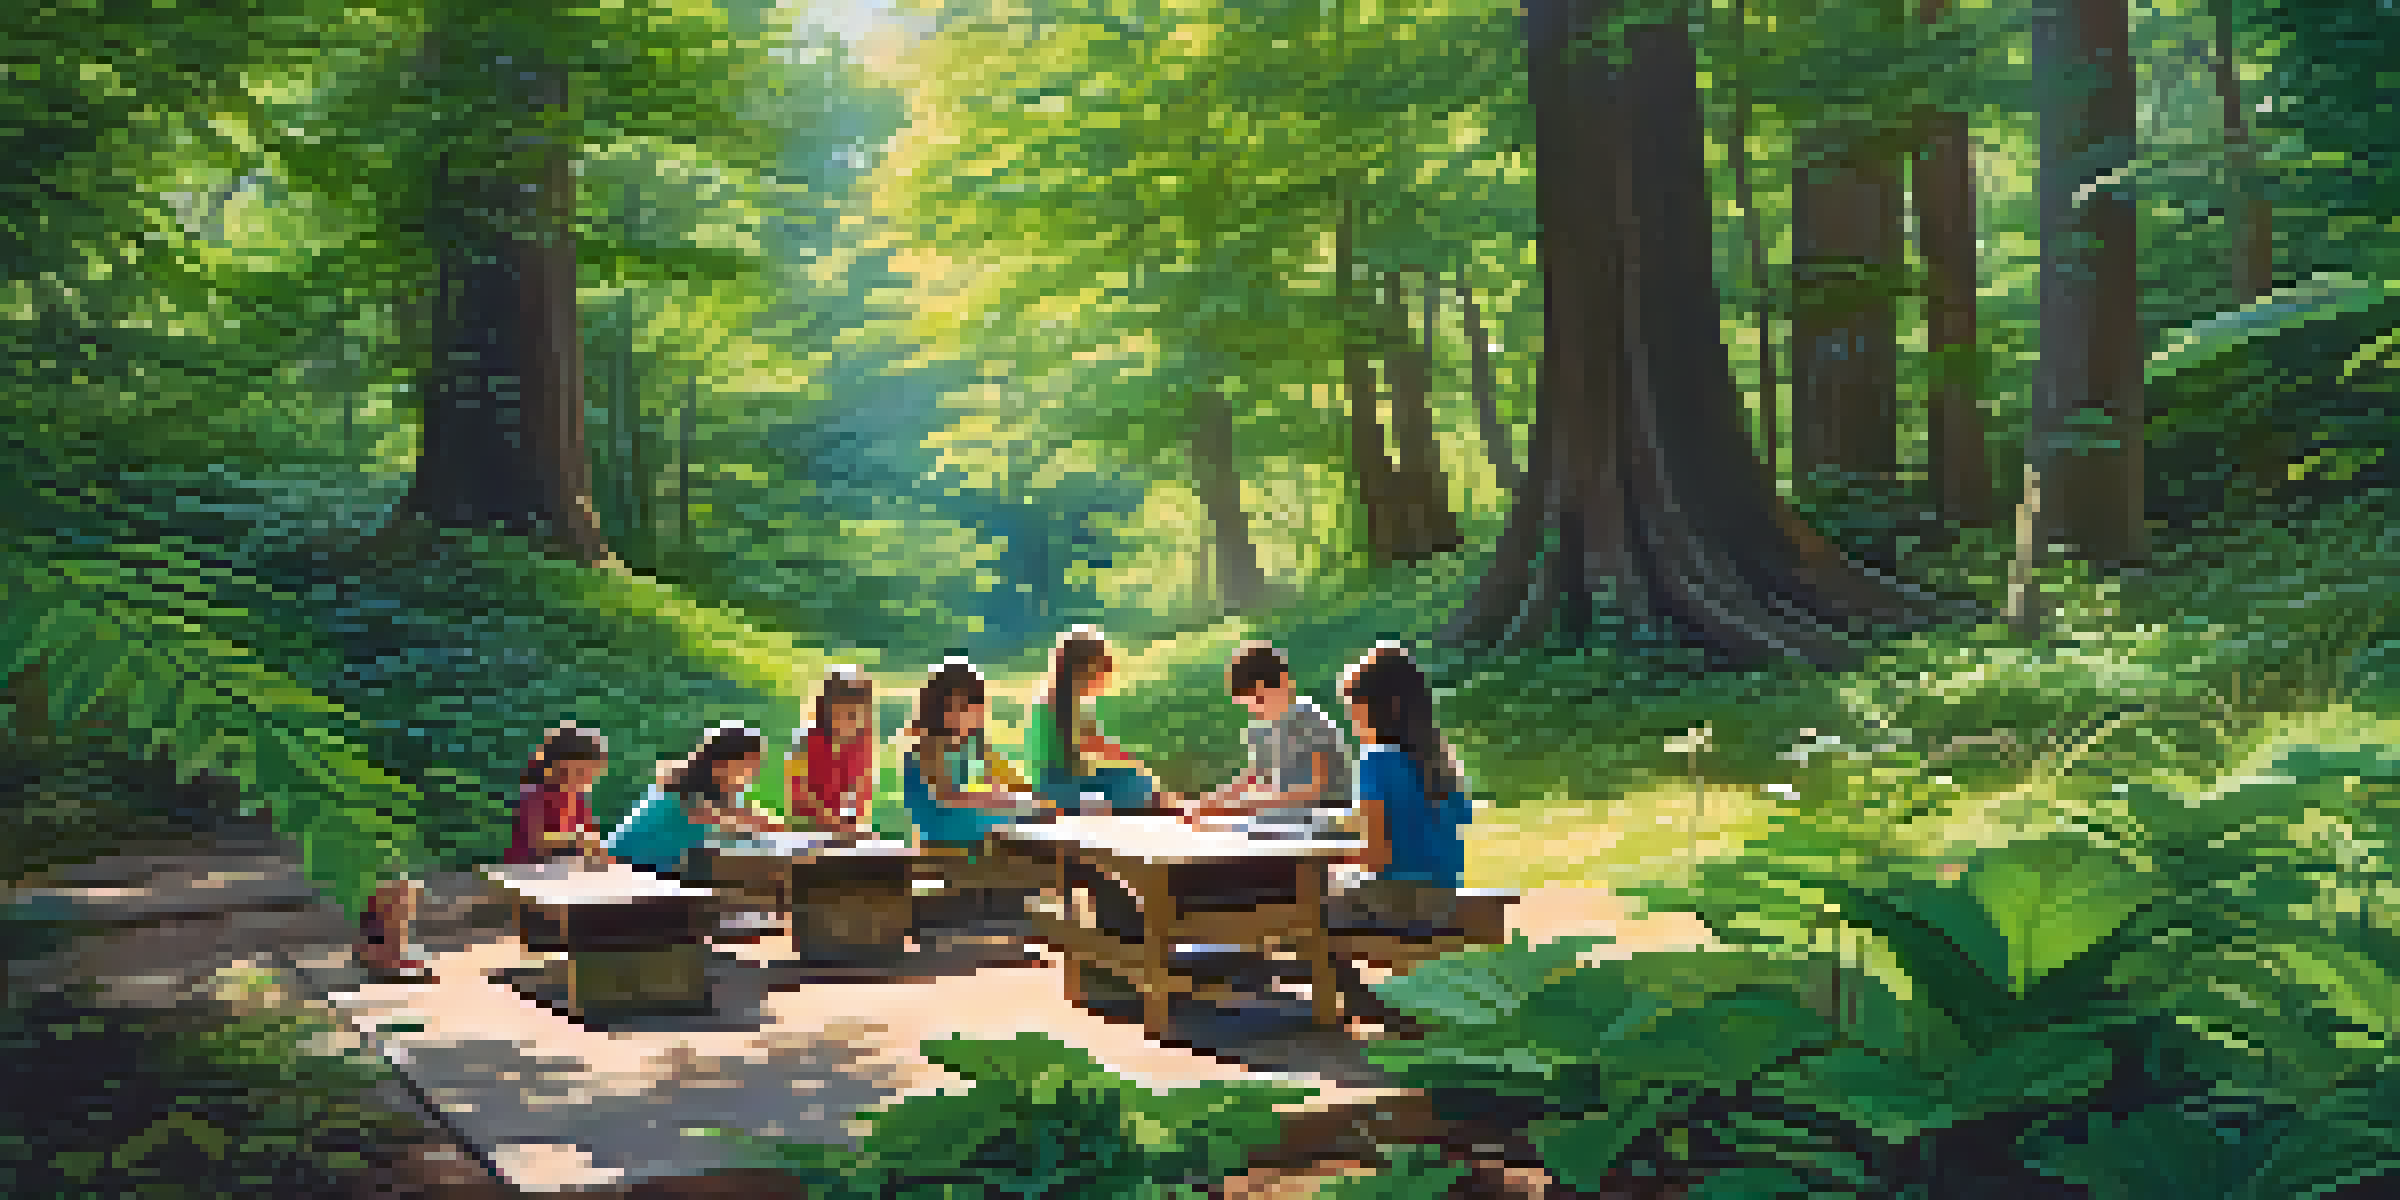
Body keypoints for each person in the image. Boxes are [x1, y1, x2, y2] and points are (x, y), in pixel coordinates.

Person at [1324, 642, 1475, 1033]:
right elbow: (1456, 821)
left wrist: (1335, 860)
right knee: (1334, 897)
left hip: (1400, 900)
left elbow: (1376, 856)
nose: (1354, 723)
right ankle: (1381, 1005)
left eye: (1355, 712)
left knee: (1303, 913)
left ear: (1381, 708)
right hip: (1442, 895)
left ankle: (1371, 1006)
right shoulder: (1439, 759)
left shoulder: (1376, 761)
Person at [1182, 642, 1353, 829]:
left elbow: (1319, 790)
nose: (1256, 710)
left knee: (1237, 830)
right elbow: (1252, 778)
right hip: (1282, 818)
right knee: (1222, 829)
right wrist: (1213, 802)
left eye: (1260, 700)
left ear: (1286, 683)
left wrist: (1255, 805)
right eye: (1249, 705)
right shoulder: (1260, 731)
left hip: (1324, 818)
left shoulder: (1312, 722)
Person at [605, 722, 788, 877]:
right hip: (625, 870)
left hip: (666, 874)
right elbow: (721, 819)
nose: (754, 773)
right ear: (722, 763)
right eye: (748, 765)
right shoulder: (677, 786)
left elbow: (760, 823)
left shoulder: (728, 792)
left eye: (756, 765)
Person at [1024, 627, 1164, 815]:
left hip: (1060, 785)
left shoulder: (1054, 701)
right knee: (1135, 782)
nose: (1103, 683)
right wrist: (1133, 761)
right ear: (1085, 671)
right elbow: (1097, 743)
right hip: (1061, 791)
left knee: (1133, 780)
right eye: (1102, 673)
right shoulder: (1060, 706)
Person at [902, 658, 1037, 848]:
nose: (970, 715)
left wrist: (1026, 799)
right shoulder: (925, 751)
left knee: (1029, 816)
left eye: (976, 706)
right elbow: (947, 797)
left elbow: (1016, 783)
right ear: (937, 710)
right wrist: (992, 798)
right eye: (959, 708)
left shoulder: (973, 748)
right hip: (944, 841)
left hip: (974, 831)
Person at [503, 724, 612, 865]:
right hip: (528, 868)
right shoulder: (537, 793)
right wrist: (578, 842)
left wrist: (599, 851)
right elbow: (537, 841)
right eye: (580, 772)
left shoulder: (579, 799)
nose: (587, 780)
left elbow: (590, 837)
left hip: (568, 870)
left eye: (591, 774)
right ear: (556, 765)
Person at [789, 665, 876, 833]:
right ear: (826, 707)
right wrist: (829, 819)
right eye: (849, 713)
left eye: (861, 712)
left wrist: (854, 825)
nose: (856, 720)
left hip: (847, 831)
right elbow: (797, 795)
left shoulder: (861, 746)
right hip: (808, 829)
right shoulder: (805, 743)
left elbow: (861, 795)